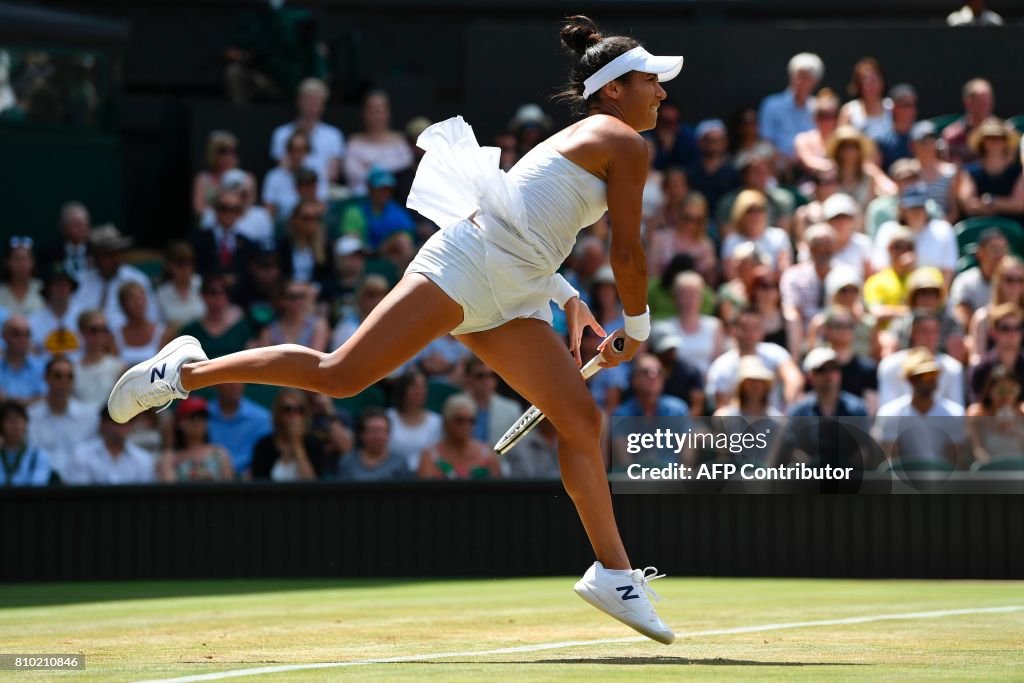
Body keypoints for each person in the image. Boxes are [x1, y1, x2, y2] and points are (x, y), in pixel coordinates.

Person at [108, 15, 678, 643]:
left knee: (580, 421)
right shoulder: (623, 142)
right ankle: (181, 371)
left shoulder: (596, 138)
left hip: (513, 286)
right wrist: (640, 327)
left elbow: (528, 219)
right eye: (653, 81)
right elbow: (627, 253)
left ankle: (614, 574)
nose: (663, 93)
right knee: (342, 375)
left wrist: (568, 297)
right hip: (469, 265)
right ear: (616, 88)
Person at [873, 348, 966, 468]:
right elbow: (892, 462)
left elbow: (955, 463)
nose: (932, 380)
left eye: (934, 374)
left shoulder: (955, 414)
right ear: (911, 379)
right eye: (925, 375)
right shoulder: (890, 414)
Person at [706, 308, 803, 413]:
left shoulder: (775, 352)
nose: (750, 333)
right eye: (745, 328)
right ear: (733, 330)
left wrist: (787, 408)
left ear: (762, 331)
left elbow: (793, 378)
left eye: (755, 328)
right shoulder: (721, 366)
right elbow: (722, 406)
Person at [73, 225, 159, 332]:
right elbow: (72, 318)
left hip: (127, 342)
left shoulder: (137, 280)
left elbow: (153, 317)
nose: (115, 258)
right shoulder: (80, 281)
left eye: (117, 252)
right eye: (107, 254)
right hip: (89, 342)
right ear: (96, 257)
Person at [26, 356, 99, 480]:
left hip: (80, 487)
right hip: (41, 487)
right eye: (58, 376)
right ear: (46, 378)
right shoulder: (31, 416)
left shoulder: (89, 416)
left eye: (69, 376)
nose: (64, 381)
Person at [873, 183, 958, 287]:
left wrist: (936, 298)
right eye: (912, 208)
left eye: (920, 207)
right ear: (903, 210)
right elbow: (880, 268)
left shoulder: (943, 229)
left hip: (932, 296)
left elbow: (948, 270)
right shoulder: (887, 230)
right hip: (895, 297)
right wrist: (898, 268)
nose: (917, 212)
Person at [876, 311, 965, 409]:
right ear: (913, 333)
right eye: (924, 331)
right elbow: (886, 409)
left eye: (934, 332)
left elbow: (956, 411)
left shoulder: (953, 368)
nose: (930, 337)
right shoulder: (889, 365)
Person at [269, 78, 344, 186]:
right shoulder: (281, 134)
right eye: (308, 100)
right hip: (289, 190)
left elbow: (332, 175)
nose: (312, 105)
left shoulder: (334, 135)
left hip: (322, 193)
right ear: (299, 101)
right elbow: (283, 169)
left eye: (317, 101)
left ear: (323, 105)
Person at [343, 90, 415, 196]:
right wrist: (387, 169)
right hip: (361, 201)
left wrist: (370, 166)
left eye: (379, 111)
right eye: (371, 111)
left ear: (387, 113)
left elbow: (405, 167)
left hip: (395, 202)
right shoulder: (354, 142)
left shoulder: (399, 141)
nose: (375, 116)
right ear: (364, 113)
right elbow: (352, 173)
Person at [64, 407, 156, 484]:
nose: (124, 425)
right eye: (117, 420)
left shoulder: (144, 460)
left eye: (129, 420)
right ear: (103, 423)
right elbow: (79, 496)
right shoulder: (81, 454)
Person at [956, 117, 1024, 223]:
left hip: (1012, 227)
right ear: (982, 142)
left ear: (1006, 142)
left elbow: (1020, 204)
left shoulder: (1018, 171)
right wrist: (990, 208)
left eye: (1000, 138)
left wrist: (993, 201)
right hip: (979, 226)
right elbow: (968, 203)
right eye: (990, 137)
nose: (995, 142)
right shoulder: (969, 171)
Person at [758, 52, 823, 161]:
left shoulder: (817, 107)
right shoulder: (771, 105)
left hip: (812, 167)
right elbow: (766, 141)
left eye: (806, 77)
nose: (800, 82)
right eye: (798, 76)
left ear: (815, 81)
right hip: (781, 168)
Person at [250, 389, 326, 481]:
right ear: (278, 413)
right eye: (287, 409)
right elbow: (259, 486)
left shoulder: (314, 444)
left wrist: (297, 445)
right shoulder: (264, 446)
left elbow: (312, 486)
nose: (294, 415)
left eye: (300, 410)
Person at [158, 396, 234, 482]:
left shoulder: (220, 453)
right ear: (180, 422)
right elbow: (169, 491)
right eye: (193, 417)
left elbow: (229, 490)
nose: (198, 422)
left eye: (203, 417)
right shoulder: (171, 458)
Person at [720, 189, 793, 278]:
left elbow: (784, 270)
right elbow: (731, 275)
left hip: (771, 287)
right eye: (749, 211)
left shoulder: (779, 236)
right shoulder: (731, 240)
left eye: (759, 209)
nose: (755, 215)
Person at [662, 272, 723, 377]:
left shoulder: (714, 326)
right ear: (675, 298)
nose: (689, 300)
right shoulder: (665, 327)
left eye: (694, 295)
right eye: (684, 295)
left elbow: (718, 363)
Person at [647, 193, 716, 284]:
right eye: (687, 218)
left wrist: (710, 268)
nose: (692, 224)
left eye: (698, 220)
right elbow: (651, 276)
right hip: (662, 292)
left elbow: (710, 282)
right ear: (678, 213)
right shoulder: (659, 239)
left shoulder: (706, 245)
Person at [967, 254, 1024, 363]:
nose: (1015, 286)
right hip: (991, 377)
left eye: (1020, 280)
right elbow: (976, 360)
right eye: (1009, 280)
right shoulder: (983, 317)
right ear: (999, 282)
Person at [207, 383, 271, 476]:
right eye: (228, 379)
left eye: (238, 379)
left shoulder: (263, 419)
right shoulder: (202, 417)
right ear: (215, 384)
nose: (233, 385)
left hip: (254, 485)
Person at [950, 228, 1009, 330]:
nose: (1000, 256)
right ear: (980, 253)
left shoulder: (1015, 281)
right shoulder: (965, 281)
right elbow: (960, 316)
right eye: (995, 250)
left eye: (1003, 250)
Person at [966, 364, 1024, 465]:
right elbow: (978, 450)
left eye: (1011, 391)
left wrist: (1015, 431)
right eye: (1001, 391)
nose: (1006, 396)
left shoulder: (1022, 413)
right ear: (990, 391)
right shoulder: (977, 416)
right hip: (989, 475)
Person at [386, 369, 443, 471]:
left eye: (422, 387)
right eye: (414, 387)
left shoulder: (437, 421)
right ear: (403, 390)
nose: (419, 391)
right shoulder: (388, 417)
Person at [826, 126, 896, 209]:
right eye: (844, 146)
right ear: (838, 150)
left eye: (853, 146)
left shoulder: (869, 173)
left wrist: (881, 194)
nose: (849, 151)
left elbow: (891, 188)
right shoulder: (829, 175)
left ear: (860, 151)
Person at [969, 302, 1024, 404]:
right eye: (1005, 328)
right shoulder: (981, 370)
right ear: (993, 332)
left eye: (1017, 328)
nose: (1012, 334)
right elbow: (976, 409)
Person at [193, 130, 257, 216]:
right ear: (213, 153)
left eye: (232, 151)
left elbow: (248, 208)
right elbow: (199, 209)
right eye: (223, 151)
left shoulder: (247, 178)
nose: (228, 156)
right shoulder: (203, 178)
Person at [71, 309, 125, 411]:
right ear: (82, 332)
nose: (99, 335)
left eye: (104, 329)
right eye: (94, 330)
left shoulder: (119, 367)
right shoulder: (72, 369)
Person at [337, 407, 410, 481]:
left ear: (388, 434)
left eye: (382, 431)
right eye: (373, 431)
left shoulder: (399, 462)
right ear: (362, 434)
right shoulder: (348, 461)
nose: (378, 436)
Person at [28, 263, 82, 360]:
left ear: (71, 288)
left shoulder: (83, 316)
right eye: (57, 285)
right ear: (48, 289)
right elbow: (32, 354)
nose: (61, 288)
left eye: (65, 284)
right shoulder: (33, 321)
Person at [685, 119, 738, 218]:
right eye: (708, 140)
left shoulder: (733, 172)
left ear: (725, 142)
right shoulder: (690, 170)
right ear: (700, 142)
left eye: (717, 140)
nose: (712, 145)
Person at [256, 281, 329, 352]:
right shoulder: (269, 331)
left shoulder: (318, 325)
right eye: (292, 297)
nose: (297, 301)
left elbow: (317, 359)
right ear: (281, 300)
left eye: (302, 296)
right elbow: (266, 361)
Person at [910, 121, 959, 222]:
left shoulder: (950, 171)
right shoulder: (906, 172)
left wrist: (938, 227)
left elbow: (953, 213)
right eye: (924, 141)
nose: (929, 145)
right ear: (913, 145)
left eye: (932, 140)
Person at [942, 79, 996, 166]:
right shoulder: (952, 136)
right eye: (981, 102)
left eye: (987, 101)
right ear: (968, 102)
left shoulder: (1004, 134)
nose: (985, 106)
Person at [113, 281, 167, 367]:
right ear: (123, 305)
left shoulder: (162, 333)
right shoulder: (115, 336)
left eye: (141, 298)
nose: (139, 303)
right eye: (133, 300)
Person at [838, 58, 893, 141]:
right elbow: (840, 142)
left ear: (882, 82)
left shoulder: (892, 108)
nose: (871, 84)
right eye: (865, 80)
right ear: (858, 84)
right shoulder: (849, 111)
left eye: (874, 79)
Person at [0, 400, 51, 486]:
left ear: (26, 423)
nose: (15, 423)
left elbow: (37, 487)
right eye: (9, 419)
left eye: (19, 418)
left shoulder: (38, 456)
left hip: (27, 499)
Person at [155, 241, 205, 328]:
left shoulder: (204, 285)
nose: (186, 268)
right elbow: (159, 326)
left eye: (189, 263)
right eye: (180, 264)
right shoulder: (161, 294)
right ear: (169, 266)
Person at [794, 88, 841, 177]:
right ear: (815, 117)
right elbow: (807, 161)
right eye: (822, 115)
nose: (827, 121)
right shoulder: (803, 139)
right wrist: (830, 166)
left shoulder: (843, 140)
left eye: (831, 116)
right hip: (809, 187)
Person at [0, 315, 45, 405]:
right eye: (16, 334)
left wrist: (8, 401)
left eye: (27, 334)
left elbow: (45, 398)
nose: (22, 339)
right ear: (4, 336)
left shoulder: (43, 367)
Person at [872, 84, 917, 171]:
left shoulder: (921, 136)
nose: (911, 110)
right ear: (893, 107)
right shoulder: (880, 140)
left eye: (913, 105)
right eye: (906, 105)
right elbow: (874, 170)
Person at [0, 236, 45, 316]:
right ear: (7, 262)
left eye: (25, 259)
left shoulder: (44, 289)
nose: (22, 264)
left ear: (33, 262)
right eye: (17, 259)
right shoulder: (1, 291)